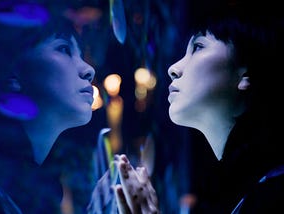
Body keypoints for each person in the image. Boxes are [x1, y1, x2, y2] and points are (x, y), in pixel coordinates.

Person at [113, 0, 284, 213]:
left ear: (246, 72)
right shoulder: (241, 189)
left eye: (198, 47)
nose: (173, 69)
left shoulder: (273, 190)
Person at [0, 1, 95, 213]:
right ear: (12, 69)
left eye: (81, 55)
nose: (89, 69)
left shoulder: (30, 192)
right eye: (64, 49)